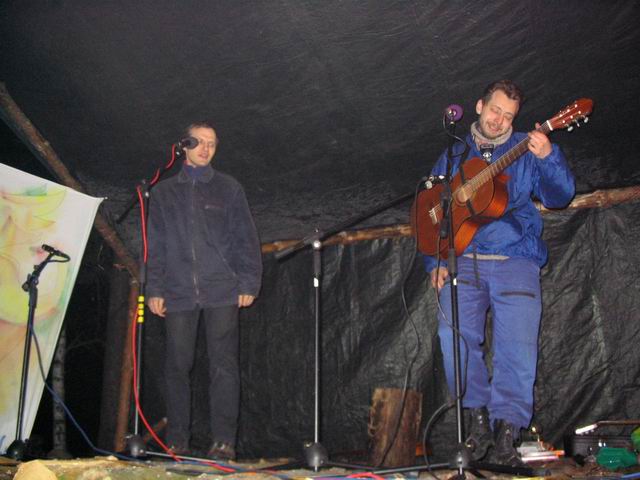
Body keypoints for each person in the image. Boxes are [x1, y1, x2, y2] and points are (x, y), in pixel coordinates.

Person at [423, 80, 575, 466]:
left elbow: (560, 197)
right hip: (463, 259)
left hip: (515, 258)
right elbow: (432, 211)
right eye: (495, 110)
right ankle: (477, 421)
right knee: (452, 336)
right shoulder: (454, 154)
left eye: (508, 116)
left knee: (517, 349)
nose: (500, 120)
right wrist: (434, 262)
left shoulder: (526, 147)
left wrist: (549, 156)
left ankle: (507, 432)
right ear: (479, 106)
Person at [146, 121, 263, 461]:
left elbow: (246, 238)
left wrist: (248, 282)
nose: (206, 148)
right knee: (177, 366)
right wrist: (155, 287)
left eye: (212, 143)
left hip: (222, 289)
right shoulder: (164, 193)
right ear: (184, 145)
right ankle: (178, 441)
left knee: (223, 366)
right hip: (178, 290)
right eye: (199, 142)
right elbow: (156, 245)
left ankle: (223, 441)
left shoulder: (229, 188)